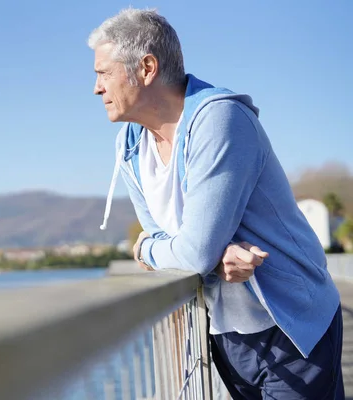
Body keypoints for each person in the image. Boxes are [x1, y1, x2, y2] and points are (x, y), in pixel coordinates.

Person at [90, 8, 343, 399]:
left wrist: (148, 248)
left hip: (291, 326)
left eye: (103, 73)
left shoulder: (220, 119)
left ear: (147, 67)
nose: (97, 88)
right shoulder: (129, 146)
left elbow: (190, 252)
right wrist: (191, 250)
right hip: (226, 334)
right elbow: (177, 243)